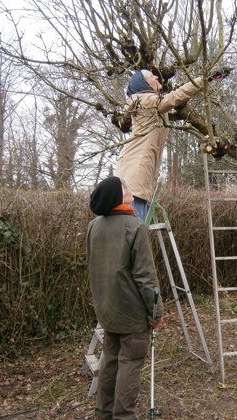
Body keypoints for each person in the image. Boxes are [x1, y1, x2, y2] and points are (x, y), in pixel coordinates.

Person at [87, 176, 164, 419]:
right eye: (124, 187)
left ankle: (103, 413)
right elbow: (146, 277)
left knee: (109, 361)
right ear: (117, 196)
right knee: (129, 363)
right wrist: (156, 312)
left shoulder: (94, 226)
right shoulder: (135, 227)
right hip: (131, 313)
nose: (130, 189)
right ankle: (123, 416)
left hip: (107, 309)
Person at [116, 67, 231, 220]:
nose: (157, 78)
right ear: (143, 83)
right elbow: (176, 96)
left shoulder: (147, 105)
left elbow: (167, 114)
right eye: (152, 77)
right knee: (134, 231)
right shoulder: (146, 100)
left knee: (134, 229)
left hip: (132, 170)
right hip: (136, 173)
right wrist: (207, 78)